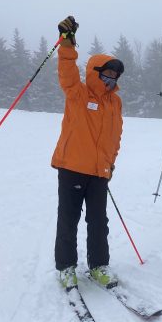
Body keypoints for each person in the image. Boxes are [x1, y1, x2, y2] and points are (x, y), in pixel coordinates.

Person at [51, 16, 124, 290]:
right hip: (72, 167)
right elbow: (67, 71)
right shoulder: (77, 94)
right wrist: (67, 43)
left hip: (99, 171)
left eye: (114, 77)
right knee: (68, 219)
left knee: (98, 221)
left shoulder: (115, 103)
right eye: (105, 75)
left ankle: (98, 265)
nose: (109, 81)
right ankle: (66, 267)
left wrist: (110, 163)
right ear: (95, 73)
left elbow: (115, 137)